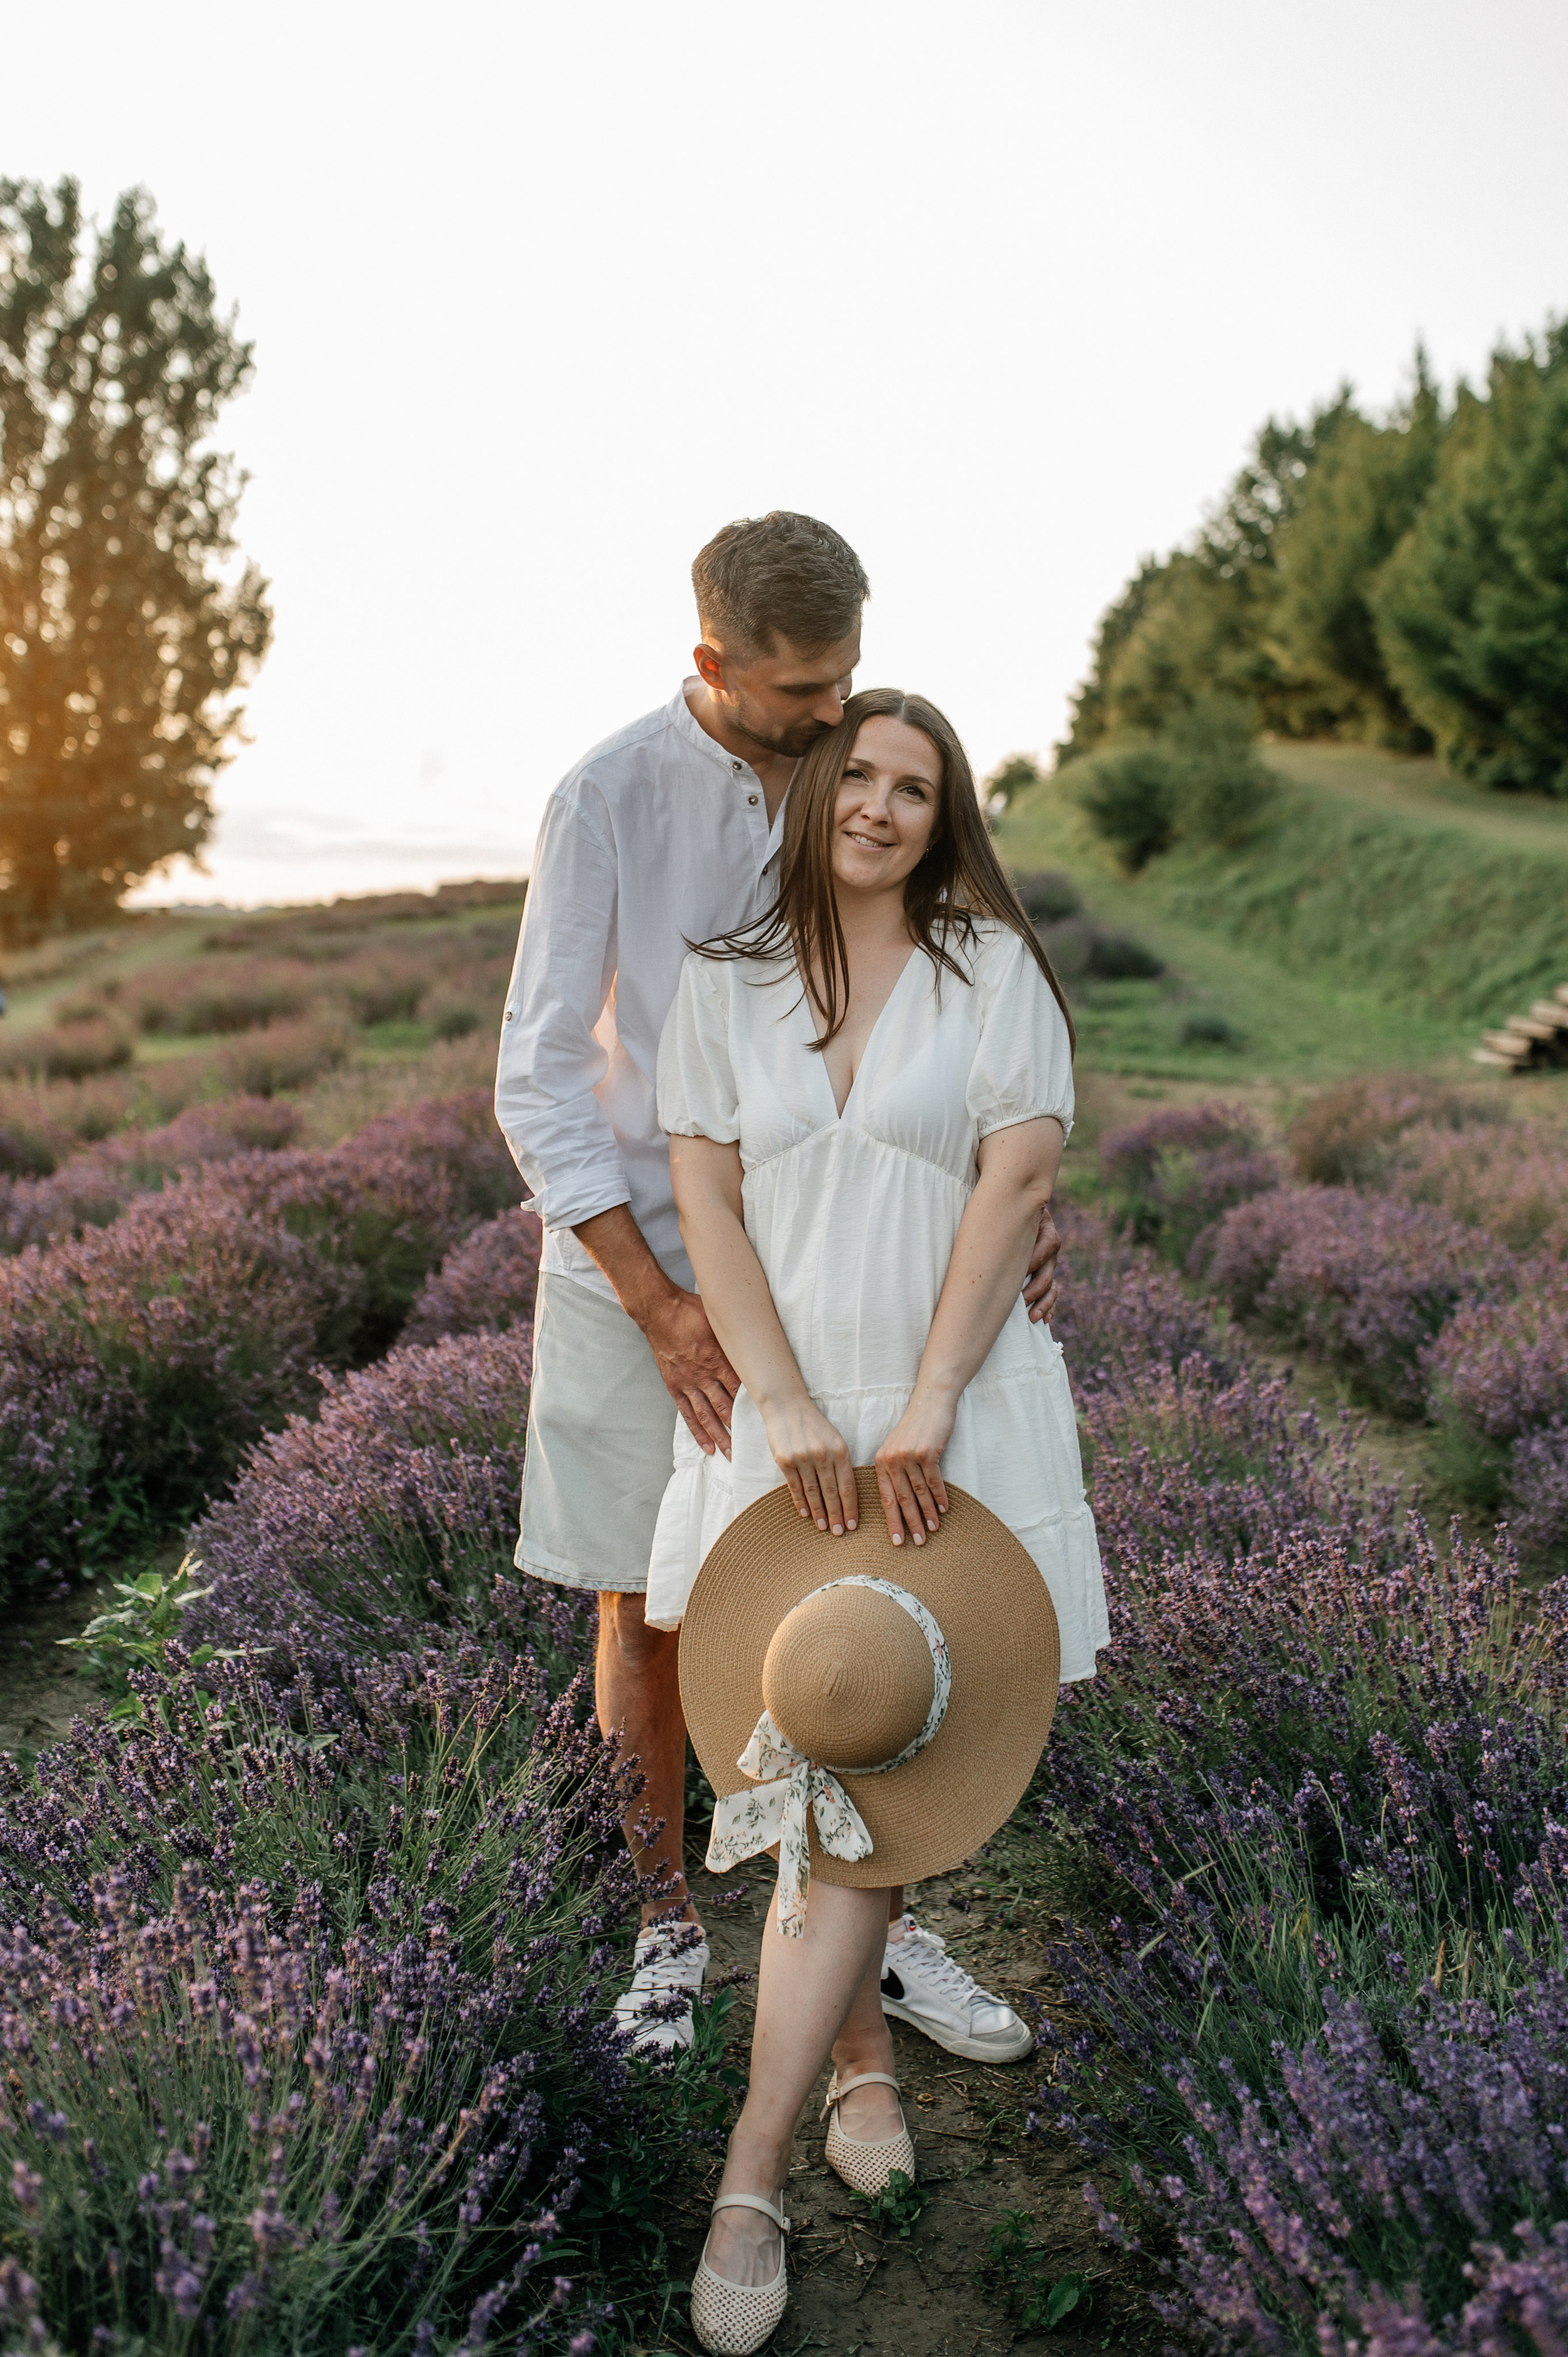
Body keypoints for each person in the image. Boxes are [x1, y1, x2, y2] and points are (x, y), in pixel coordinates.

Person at [495, 519, 1064, 2054]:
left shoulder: (847, 774)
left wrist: (994, 1193)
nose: (834, 718)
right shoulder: (605, 799)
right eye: (804, 689)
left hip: (830, 1253)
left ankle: (878, 1916)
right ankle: (666, 1926)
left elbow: (937, 1001)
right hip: (641, 1266)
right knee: (652, 1595)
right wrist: (657, 1300)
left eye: (849, 680)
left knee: (872, 1592)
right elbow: (538, 1081)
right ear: (711, 665)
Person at [649, 687, 1106, 2348]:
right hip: (789, 1420)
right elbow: (706, 1194)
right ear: (817, 792)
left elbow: (1019, 1187)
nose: (883, 807)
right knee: (817, 1744)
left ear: (946, 814)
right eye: (861, 775)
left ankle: (755, 2166)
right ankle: (850, 2068)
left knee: (884, 1749)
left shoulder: (994, 975)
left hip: (949, 1407)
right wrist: (781, 1406)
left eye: (918, 787)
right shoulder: (724, 984)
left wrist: (921, 1409)